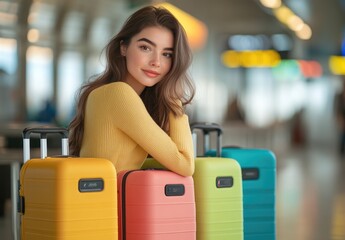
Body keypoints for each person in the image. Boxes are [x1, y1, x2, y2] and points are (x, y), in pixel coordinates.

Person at [68, 6, 195, 176]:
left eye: (167, 54)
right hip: (110, 201)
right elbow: (186, 165)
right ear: (124, 48)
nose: (156, 62)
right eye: (145, 48)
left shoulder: (103, 93)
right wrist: (173, 96)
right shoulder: (119, 94)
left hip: (104, 199)